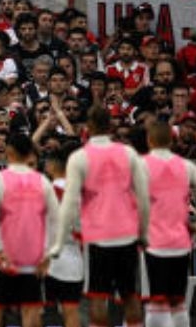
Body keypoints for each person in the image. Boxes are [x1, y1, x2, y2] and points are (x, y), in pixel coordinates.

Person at [51, 105, 149, 327]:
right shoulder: (128, 153)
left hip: (97, 237)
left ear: (89, 126)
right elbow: (143, 198)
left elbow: (69, 203)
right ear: (111, 126)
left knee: (98, 295)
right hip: (127, 234)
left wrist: (58, 242)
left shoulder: (79, 157)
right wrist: (143, 233)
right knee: (130, 295)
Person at [142, 121, 196, 327]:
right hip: (180, 242)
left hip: (155, 242)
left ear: (149, 140)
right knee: (178, 301)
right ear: (171, 141)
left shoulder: (142, 164)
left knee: (157, 300)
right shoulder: (185, 166)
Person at [0, 132, 58, 327]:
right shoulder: (43, 182)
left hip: (5, 260)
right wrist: (47, 254)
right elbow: (54, 221)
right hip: (34, 260)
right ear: (29, 154)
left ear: (9, 151)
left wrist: (0, 250)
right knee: (31, 313)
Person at [44, 148, 84, 327]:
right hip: (75, 259)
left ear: (52, 165)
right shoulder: (81, 192)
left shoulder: (46, 191)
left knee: (45, 312)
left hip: (49, 259)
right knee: (70, 310)